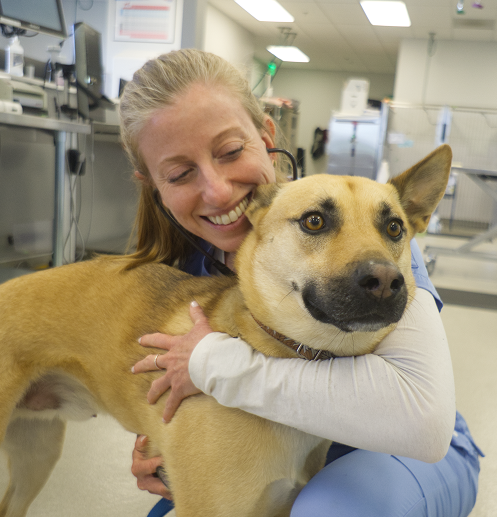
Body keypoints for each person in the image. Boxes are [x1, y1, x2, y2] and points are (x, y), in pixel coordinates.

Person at [119, 48, 482, 516]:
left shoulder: (377, 232)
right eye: (180, 173)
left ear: (266, 135)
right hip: (273, 449)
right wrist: (158, 446)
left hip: (400, 450)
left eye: (230, 152)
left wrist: (217, 363)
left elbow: (422, 421)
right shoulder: (182, 272)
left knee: (327, 510)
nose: (217, 190)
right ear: (153, 184)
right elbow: (164, 399)